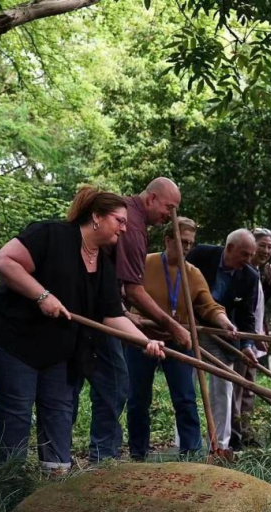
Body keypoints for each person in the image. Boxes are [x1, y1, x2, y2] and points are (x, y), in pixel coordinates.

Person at [0, 187, 165, 471]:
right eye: (120, 221)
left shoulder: (102, 264)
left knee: (59, 408)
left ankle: (56, 481)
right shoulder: (51, 234)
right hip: (12, 336)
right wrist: (42, 296)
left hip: (57, 346)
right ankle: (7, 484)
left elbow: (111, 315)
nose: (124, 229)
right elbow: (4, 261)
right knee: (18, 408)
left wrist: (145, 341)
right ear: (97, 217)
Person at [72, 177, 191, 463]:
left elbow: (118, 286)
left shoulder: (128, 218)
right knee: (114, 381)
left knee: (83, 381)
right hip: (97, 314)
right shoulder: (133, 227)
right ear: (151, 199)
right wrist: (172, 325)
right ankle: (103, 458)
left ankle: (74, 456)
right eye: (169, 208)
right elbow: (134, 290)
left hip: (101, 309)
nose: (169, 217)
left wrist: (127, 313)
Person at [124, 218, 238, 460]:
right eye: (182, 242)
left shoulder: (192, 274)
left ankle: (190, 454)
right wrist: (128, 316)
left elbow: (209, 306)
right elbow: (127, 293)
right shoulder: (146, 263)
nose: (187, 247)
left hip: (178, 340)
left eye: (190, 244)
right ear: (167, 240)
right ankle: (138, 454)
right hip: (142, 340)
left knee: (185, 398)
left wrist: (224, 321)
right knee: (138, 399)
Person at [186, 229, 259, 453]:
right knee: (185, 386)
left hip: (223, 335)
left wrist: (247, 346)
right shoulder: (199, 255)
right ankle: (186, 445)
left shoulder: (249, 276)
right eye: (244, 254)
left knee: (223, 388)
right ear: (229, 248)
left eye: (250, 255)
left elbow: (247, 315)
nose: (248, 260)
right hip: (188, 327)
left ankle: (220, 446)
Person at [231, 227, 271, 435]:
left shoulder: (258, 273)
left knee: (250, 388)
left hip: (254, 337)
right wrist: (249, 337)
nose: (266, 251)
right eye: (262, 246)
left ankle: (246, 431)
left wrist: (270, 283)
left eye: (270, 247)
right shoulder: (241, 272)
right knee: (238, 387)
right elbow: (241, 310)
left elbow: (257, 306)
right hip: (240, 337)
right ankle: (234, 434)